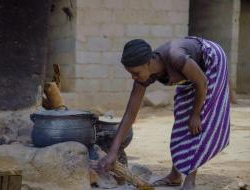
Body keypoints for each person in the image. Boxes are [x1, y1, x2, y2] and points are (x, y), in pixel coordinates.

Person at [98, 37, 230, 190]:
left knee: (198, 121)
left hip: (211, 61)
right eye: (130, 74)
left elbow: (202, 83)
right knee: (181, 118)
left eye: (135, 73)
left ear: (148, 63)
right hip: (192, 75)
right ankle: (175, 175)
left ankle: (190, 179)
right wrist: (112, 152)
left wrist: (195, 114)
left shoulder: (177, 58)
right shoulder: (144, 76)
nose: (133, 77)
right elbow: (130, 113)